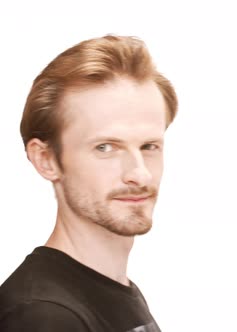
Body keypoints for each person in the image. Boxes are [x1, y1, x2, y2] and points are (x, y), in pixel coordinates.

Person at [0, 35, 178, 331]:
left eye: (149, 146)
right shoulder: (42, 316)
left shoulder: (113, 290)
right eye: (106, 148)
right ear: (46, 159)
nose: (140, 174)